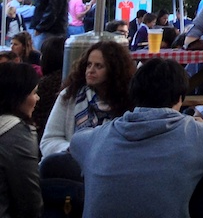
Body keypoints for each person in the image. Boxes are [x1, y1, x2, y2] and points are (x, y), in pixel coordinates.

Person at [71, 57, 203, 218]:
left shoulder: (98, 137)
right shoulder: (194, 133)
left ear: (134, 94)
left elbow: (76, 142)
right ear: (180, 98)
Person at [40, 39, 135, 179]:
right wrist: (75, 151)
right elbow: (49, 140)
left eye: (99, 66)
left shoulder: (130, 101)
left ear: (114, 70)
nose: (91, 70)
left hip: (114, 172)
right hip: (71, 170)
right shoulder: (69, 96)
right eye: (89, 65)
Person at [0, 61, 42, 218]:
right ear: (17, 97)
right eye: (33, 92)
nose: (37, 98)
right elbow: (29, 200)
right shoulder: (17, 134)